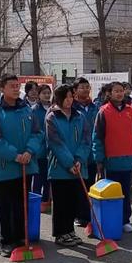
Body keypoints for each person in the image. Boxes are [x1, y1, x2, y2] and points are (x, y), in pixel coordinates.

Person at [0, 74, 42, 257]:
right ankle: (6, 241)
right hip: (5, 166)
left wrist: (29, 151)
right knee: (4, 205)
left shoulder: (27, 109)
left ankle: (20, 237)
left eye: (17, 85)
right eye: (11, 86)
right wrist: (15, 155)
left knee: (21, 204)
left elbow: (37, 133)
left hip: (25, 165)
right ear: (2, 89)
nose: (16, 88)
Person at [93, 81, 132, 233]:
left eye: (121, 91)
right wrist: (99, 157)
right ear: (109, 93)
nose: (119, 93)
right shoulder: (103, 111)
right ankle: (111, 219)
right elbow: (97, 137)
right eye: (116, 91)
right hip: (111, 159)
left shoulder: (131, 110)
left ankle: (125, 220)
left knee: (126, 191)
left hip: (128, 158)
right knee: (111, 193)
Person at [46, 85, 90, 246]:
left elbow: (86, 140)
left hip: (78, 167)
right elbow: (55, 143)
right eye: (66, 97)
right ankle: (60, 232)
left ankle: (70, 230)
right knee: (60, 202)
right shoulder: (52, 117)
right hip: (60, 167)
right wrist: (69, 163)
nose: (69, 100)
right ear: (58, 98)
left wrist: (79, 159)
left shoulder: (80, 116)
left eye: (71, 96)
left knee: (74, 200)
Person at [72, 76, 99, 227]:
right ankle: (79, 215)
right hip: (78, 153)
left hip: (92, 153)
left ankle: (89, 213)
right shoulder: (72, 108)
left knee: (90, 185)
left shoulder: (95, 107)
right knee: (78, 186)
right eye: (81, 87)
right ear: (75, 91)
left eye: (87, 87)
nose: (85, 89)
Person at [32, 84, 52, 212]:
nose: (46, 95)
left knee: (48, 179)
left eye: (48, 93)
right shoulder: (34, 110)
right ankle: (35, 202)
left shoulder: (53, 108)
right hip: (39, 151)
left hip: (51, 150)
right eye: (44, 93)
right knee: (38, 179)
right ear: (39, 95)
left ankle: (46, 201)